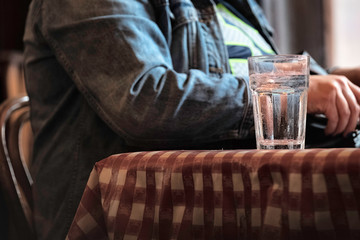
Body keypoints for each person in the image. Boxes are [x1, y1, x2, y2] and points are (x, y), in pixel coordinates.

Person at [23, 0, 360, 239]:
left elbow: (302, 78)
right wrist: (291, 90)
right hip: (129, 219)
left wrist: (346, 82)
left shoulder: (231, 6)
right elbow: (145, 101)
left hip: (243, 203)